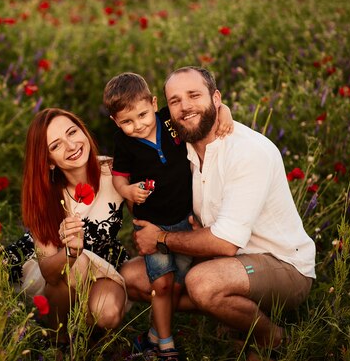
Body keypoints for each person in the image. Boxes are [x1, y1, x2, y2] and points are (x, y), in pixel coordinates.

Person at [120, 66, 316, 358]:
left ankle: (271, 338)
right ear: (165, 109)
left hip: (282, 265)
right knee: (133, 277)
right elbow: (124, 149)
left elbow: (224, 243)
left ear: (216, 98)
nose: (185, 106)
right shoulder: (180, 146)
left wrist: (159, 238)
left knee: (203, 284)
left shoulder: (248, 151)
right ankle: (232, 313)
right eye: (175, 100)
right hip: (221, 261)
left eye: (194, 95)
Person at [103, 72, 233, 361]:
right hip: (153, 224)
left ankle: (152, 335)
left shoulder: (167, 120)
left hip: (185, 219)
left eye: (142, 115)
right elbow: (119, 177)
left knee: (176, 283)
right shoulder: (124, 143)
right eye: (126, 122)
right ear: (115, 122)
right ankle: (165, 344)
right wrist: (127, 191)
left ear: (153, 103)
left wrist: (224, 111)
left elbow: (207, 110)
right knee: (161, 283)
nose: (137, 125)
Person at [5, 108, 129, 337]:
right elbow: (50, 274)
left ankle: (85, 335)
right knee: (63, 276)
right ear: (49, 161)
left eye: (72, 132)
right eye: (56, 145)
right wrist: (70, 252)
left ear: (83, 131)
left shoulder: (114, 172)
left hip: (100, 261)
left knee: (108, 312)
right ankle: (59, 341)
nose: (71, 145)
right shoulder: (45, 198)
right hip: (51, 273)